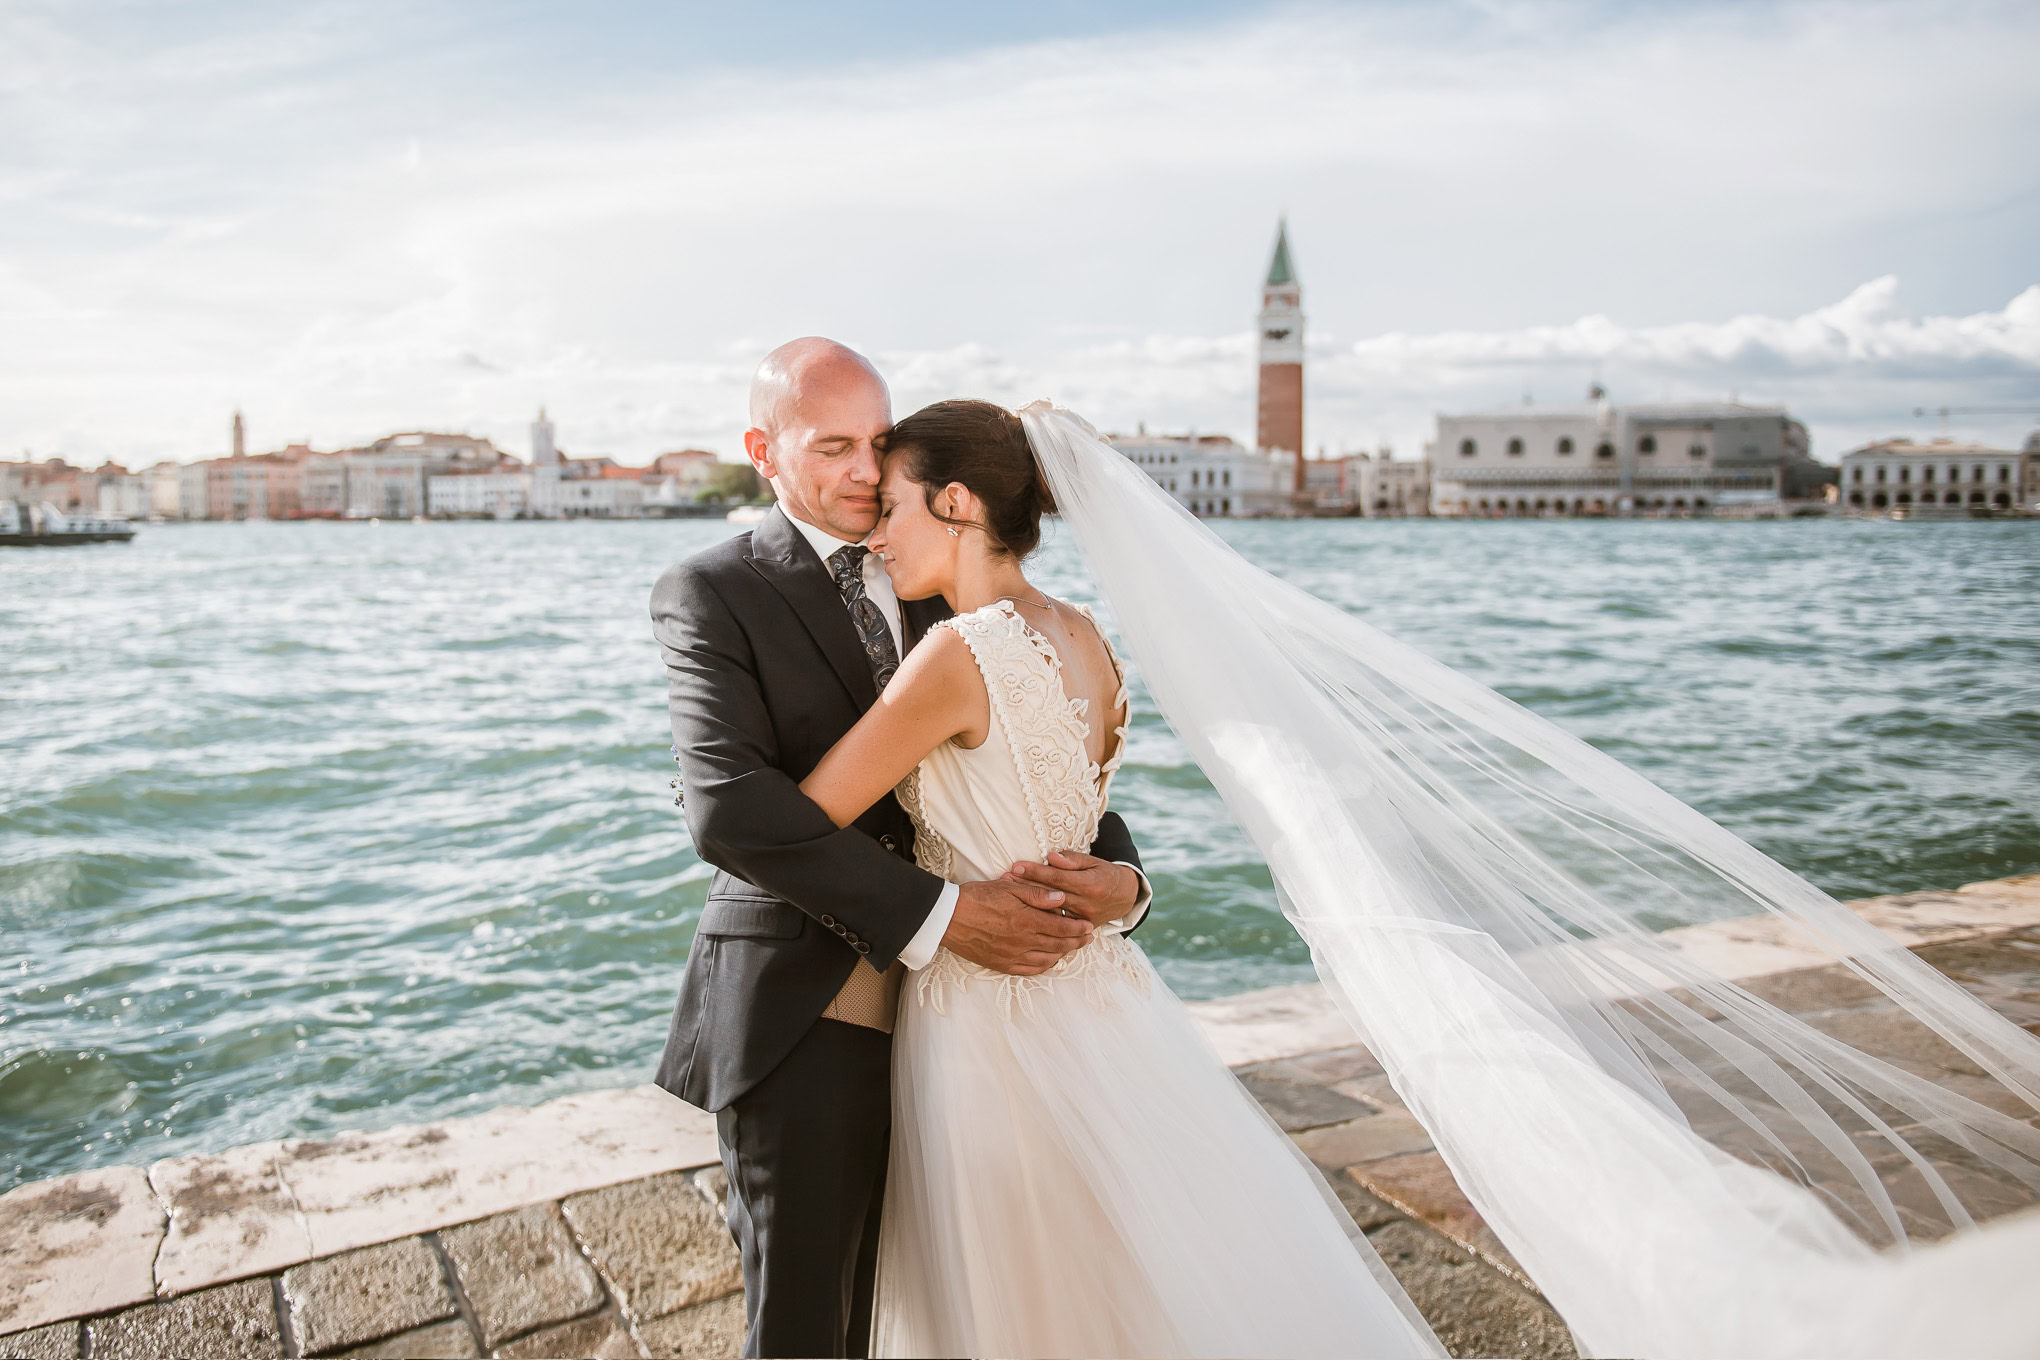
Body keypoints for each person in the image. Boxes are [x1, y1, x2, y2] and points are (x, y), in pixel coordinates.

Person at [796, 399, 1444, 1358]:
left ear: (959, 504)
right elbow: (1083, 824)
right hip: (1103, 1000)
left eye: (893, 507)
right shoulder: (1086, 640)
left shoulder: (955, 652)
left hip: (987, 1018)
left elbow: (808, 815)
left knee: (1018, 1298)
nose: (876, 535)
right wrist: (1126, 889)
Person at [647, 340, 1153, 1359]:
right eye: (834, 445)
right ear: (763, 450)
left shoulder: (934, 559)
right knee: (808, 1328)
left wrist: (1129, 883)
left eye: (879, 442)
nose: (867, 472)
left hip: (974, 1029)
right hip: (810, 1008)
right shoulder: (712, 589)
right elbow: (728, 809)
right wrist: (944, 915)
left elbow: (1039, 756)